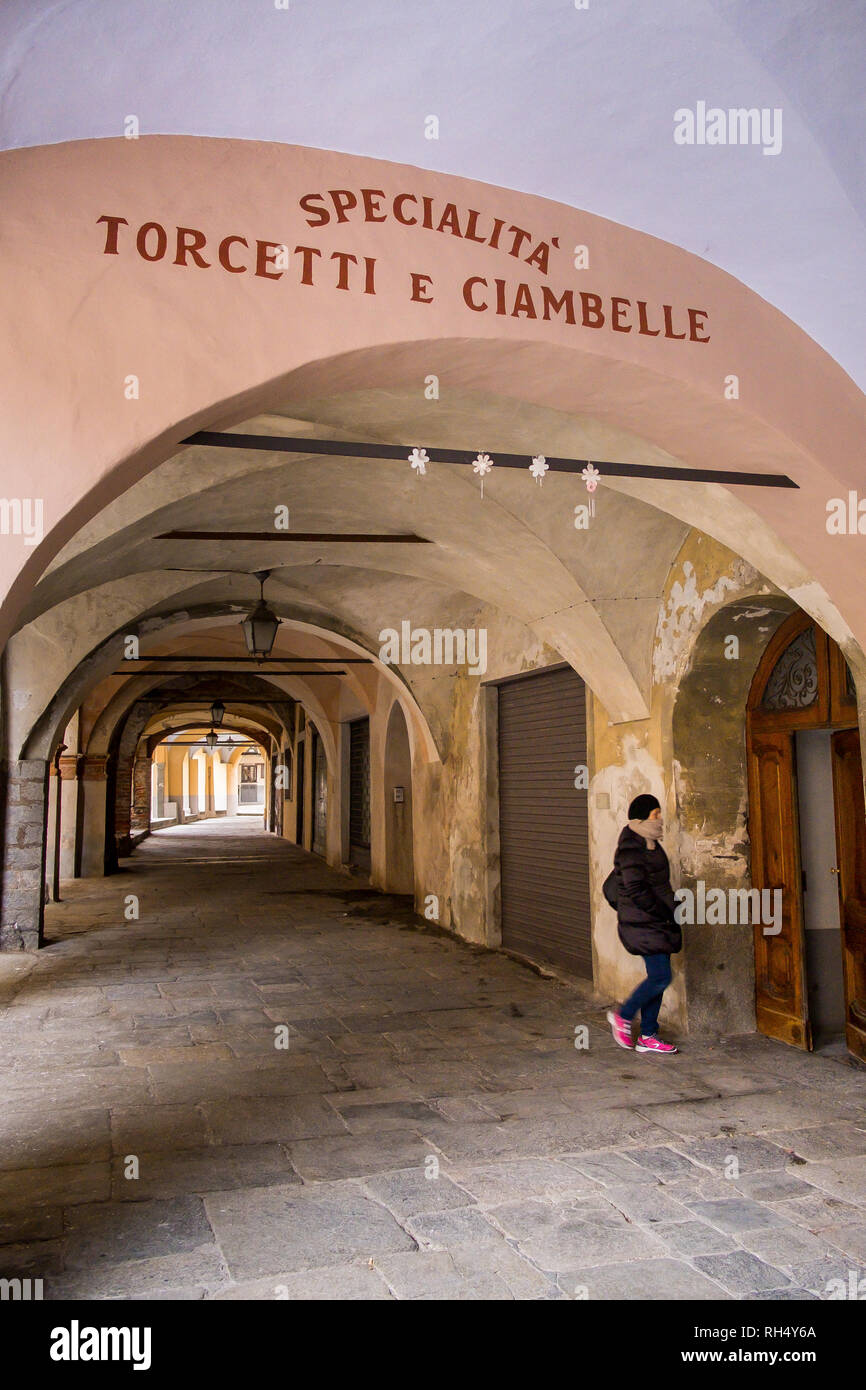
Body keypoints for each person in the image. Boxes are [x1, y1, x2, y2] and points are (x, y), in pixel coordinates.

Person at [606, 793, 681, 1054]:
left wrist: (673, 905)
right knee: (661, 976)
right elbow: (636, 887)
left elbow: (659, 883)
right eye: (655, 814)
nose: (660, 818)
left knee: (658, 977)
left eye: (659, 813)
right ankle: (624, 1015)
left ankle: (648, 1035)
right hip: (644, 921)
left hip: (657, 919)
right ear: (643, 816)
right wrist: (661, 909)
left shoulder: (650, 841)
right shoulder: (631, 845)